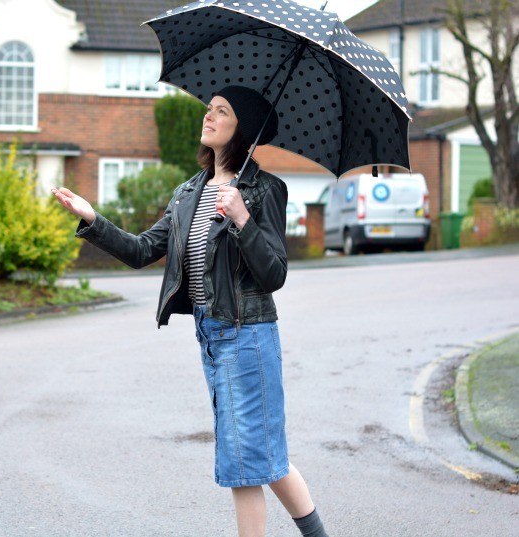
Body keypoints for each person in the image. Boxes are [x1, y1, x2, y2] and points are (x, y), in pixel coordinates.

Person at [51, 85, 329, 537]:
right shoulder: (188, 193)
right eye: (210, 108)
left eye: (222, 111)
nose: (209, 116)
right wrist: (93, 220)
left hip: (249, 336)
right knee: (262, 454)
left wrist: (242, 219)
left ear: (244, 130)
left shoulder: (263, 191)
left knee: (243, 461)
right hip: (212, 335)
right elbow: (143, 250)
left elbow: (274, 273)